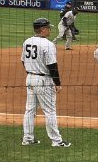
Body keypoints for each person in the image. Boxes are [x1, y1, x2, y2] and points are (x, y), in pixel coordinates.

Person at [21, 17, 71, 147]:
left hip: (30, 78)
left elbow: (23, 61)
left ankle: (28, 138)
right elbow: (52, 66)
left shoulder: (27, 41)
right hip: (43, 80)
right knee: (50, 111)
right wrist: (58, 83)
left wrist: (32, 70)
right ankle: (57, 141)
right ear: (42, 29)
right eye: (48, 28)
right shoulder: (48, 45)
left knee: (29, 110)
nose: (50, 30)